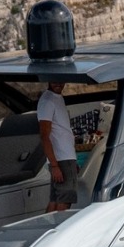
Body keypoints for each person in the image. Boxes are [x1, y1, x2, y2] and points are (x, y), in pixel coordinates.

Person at [38, 81, 84, 211]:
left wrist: (72, 159)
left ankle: (47, 224)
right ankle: (61, 224)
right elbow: (44, 135)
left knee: (55, 200)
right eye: (54, 80)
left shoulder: (55, 98)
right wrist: (54, 166)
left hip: (65, 157)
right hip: (61, 159)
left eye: (60, 80)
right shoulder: (48, 101)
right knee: (65, 200)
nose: (58, 83)